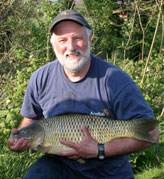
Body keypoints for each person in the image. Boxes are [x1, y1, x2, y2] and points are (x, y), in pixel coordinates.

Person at [8, 9, 159, 179]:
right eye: (63, 40)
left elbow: (152, 134)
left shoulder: (116, 79)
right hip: (58, 166)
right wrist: (20, 137)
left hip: (106, 169)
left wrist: (99, 149)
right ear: (53, 45)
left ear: (90, 39)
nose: (71, 47)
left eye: (77, 38)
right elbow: (31, 119)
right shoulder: (40, 77)